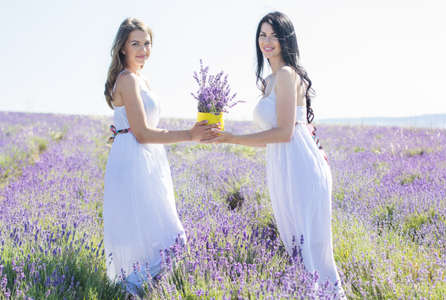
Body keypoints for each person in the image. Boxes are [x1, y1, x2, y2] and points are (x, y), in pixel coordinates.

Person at [206, 11, 346, 298]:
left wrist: (233, 138)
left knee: (309, 246)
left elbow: (284, 132)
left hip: (300, 166)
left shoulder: (285, 75)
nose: (267, 41)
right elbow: (275, 139)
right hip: (284, 165)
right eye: (262, 35)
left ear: (286, 39)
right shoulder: (269, 82)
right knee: (296, 241)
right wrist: (229, 138)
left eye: (273, 35)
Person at [102, 17, 216, 296]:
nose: (143, 49)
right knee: (156, 232)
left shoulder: (141, 79)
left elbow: (132, 127)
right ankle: (136, 290)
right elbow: (141, 132)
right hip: (136, 159)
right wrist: (190, 135)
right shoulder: (128, 79)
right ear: (122, 48)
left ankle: (144, 291)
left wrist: (120, 133)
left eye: (147, 43)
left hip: (146, 160)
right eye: (135, 43)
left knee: (155, 231)